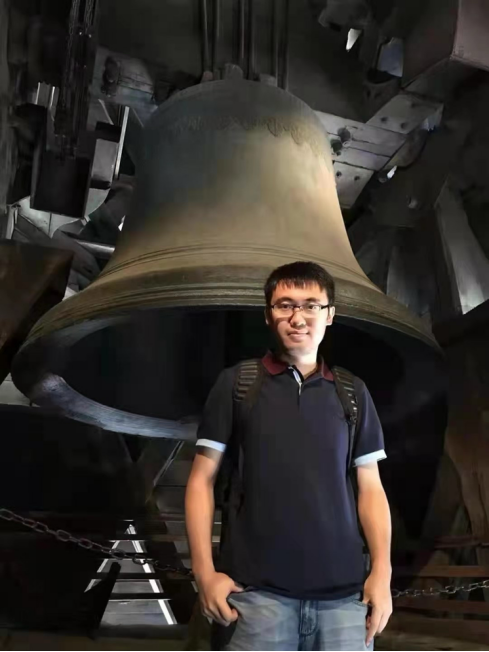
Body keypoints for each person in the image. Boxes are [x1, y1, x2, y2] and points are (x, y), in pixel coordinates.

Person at [185, 261, 392, 651]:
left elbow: (371, 489)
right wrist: (204, 572)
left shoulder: (352, 393)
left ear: (329, 314)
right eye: (285, 305)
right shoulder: (238, 384)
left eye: (311, 305)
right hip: (257, 599)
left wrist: (382, 573)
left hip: (345, 602)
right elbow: (201, 481)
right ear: (269, 315)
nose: (298, 318)